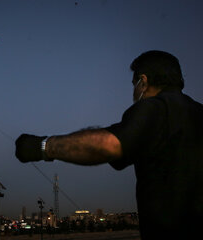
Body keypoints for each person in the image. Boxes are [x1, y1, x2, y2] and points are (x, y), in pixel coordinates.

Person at [15, 50, 203, 239]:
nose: (134, 91)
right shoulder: (198, 112)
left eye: (134, 85)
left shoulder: (154, 107)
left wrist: (41, 146)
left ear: (143, 82)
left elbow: (109, 144)